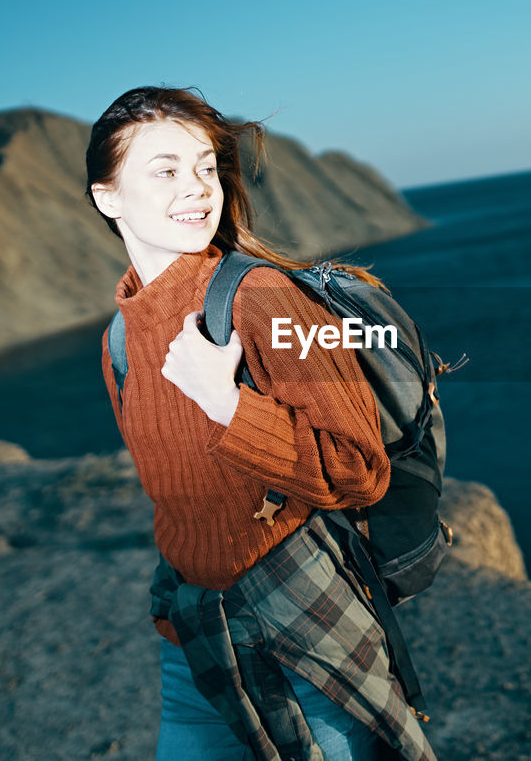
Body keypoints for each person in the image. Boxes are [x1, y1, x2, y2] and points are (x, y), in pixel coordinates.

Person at [85, 85, 437, 761]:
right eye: (165, 171)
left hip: (303, 629)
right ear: (108, 196)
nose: (197, 189)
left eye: (205, 168)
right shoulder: (120, 340)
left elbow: (360, 471)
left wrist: (229, 405)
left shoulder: (265, 298)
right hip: (193, 631)